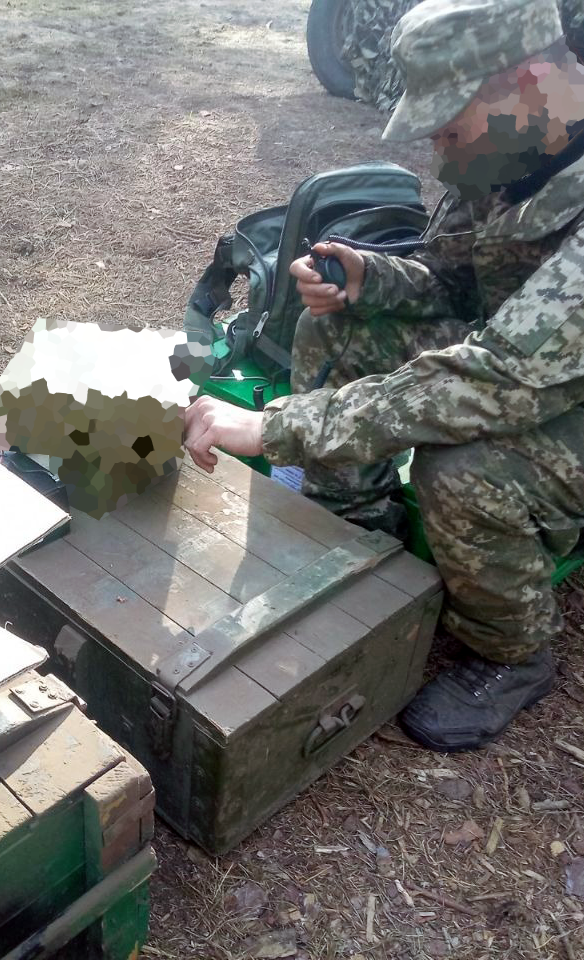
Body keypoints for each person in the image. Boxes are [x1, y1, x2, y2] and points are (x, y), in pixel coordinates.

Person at [183, 0, 584, 752]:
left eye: (448, 129)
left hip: (550, 384)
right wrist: (372, 279)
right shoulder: (511, 149)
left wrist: (276, 429)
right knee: (334, 326)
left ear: (526, 81)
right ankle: (362, 540)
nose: (439, 155)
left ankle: (516, 654)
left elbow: (493, 383)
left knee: (464, 469)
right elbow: (456, 281)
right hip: (524, 363)